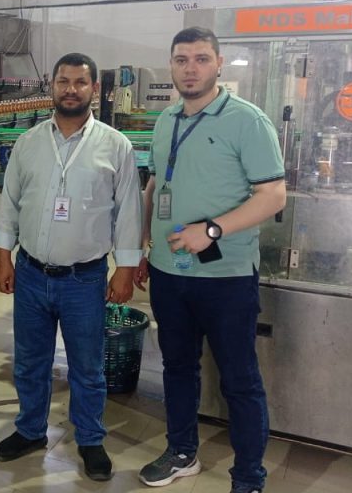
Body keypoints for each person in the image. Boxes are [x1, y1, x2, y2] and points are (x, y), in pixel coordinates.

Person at [133, 27, 286, 493]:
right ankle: (182, 452)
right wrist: (143, 243)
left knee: (239, 379)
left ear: (218, 63)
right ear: (171, 65)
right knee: (177, 367)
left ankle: (249, 477)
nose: (190, 69)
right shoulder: (165, 120)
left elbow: (273, 195)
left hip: (225, 276)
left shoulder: (248, 120)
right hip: (168, 272)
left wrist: (212, 230)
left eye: (201, 59)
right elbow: (155, 184)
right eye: (181, 60)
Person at [0, 53, 142, 481]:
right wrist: (3, 257)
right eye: (63, 81)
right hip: (31, 273)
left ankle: (90, 439)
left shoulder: (115, 145)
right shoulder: (29, 142)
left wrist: (125, 269)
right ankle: (30, 430)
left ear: (94, 89)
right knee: (29, 362)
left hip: (84, 279)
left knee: (87, 368)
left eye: (80, 82)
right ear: (52, 87)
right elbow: (10, 204)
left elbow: (128, 212)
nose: (71, 89)